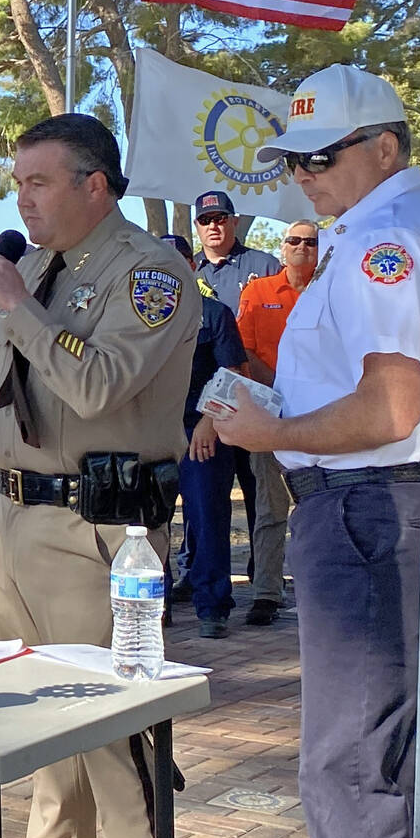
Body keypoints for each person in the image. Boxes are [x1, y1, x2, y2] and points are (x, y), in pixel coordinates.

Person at [0, 114, 199, 838]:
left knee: (111, 720)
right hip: (21, 521)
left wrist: (19, 309)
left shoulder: (152, 274)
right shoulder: (39, 273)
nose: (24, 199)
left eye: (40, 182)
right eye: (18, 181)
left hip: (102, 533)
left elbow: (96, 387)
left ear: (96, 184)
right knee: (42, 704)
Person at [213, 63, 420, 838]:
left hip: (373, 508)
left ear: (385, 147)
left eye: (320, 154)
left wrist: (271, 431)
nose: (302, 173)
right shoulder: (375, 234)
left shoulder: (387, 241)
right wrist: (269, 403)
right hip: (376, 505)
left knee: (352, 767)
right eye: (291, 160)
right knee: (389, 761)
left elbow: (391, 406)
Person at [184, 190, 279, 599]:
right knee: (203, 502)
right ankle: (193, 574)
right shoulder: (186, 274)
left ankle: (263, 584)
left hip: (255, 401)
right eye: (206, 220)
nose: (214, 226)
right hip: (206, 408)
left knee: (258, 495)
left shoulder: (263, 266)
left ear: (234, 222)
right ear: (197, 227)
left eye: (221, 218)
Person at [161, 235, 249, 639]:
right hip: (152, 434)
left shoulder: (214, 314)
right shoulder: (137, 316)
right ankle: (153, 604)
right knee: (147, 525)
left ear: (192, 266)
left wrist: (209, 421)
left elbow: (234, 376)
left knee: (208, 520)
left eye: (178, 260)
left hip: (201, 434)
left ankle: (213, 607)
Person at [235, 220, 319, 625]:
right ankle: (267, 593)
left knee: (320, 506)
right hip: (271, 415)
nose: (302, 247)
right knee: (270, 508)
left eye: (311, 241)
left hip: (323, 419)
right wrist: (280, 388)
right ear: (282, 249)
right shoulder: (258, 292)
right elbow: (243, 348)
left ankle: (318, 591)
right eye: (294, 240)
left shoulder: (332, 292)